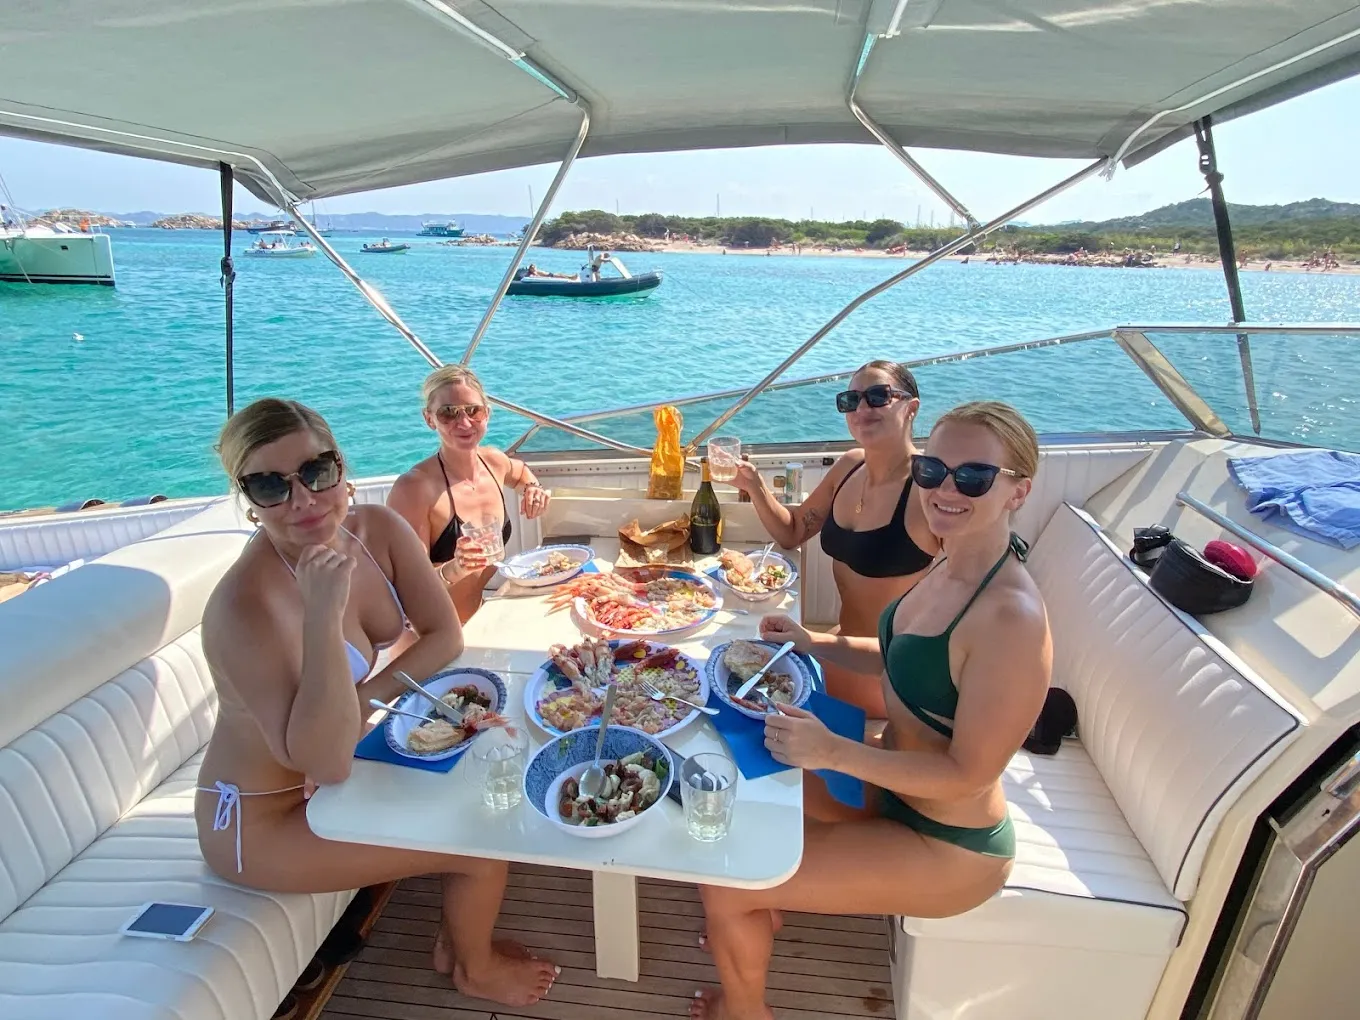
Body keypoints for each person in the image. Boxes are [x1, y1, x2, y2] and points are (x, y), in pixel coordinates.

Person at [693, 401, 1052, 1020]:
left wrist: (833, 752)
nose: (946, 488)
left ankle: (745, 1009)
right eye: (935, 468)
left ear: (1017, 490)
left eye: (973, 478)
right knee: (733, 782)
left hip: (948, 844)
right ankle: (766, 910)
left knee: (726, 881)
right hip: (885, 787)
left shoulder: (1010, 619)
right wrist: (813, 643)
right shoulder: (952, 560)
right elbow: (895, 655)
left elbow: (970, 773)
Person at [195, 398, 559, 1006]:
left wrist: (361, 700)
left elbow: (445, 636)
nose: (305, 500)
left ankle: (452, 939)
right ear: (248, 498)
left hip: (341, 763)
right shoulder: (243, 607)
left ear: (340, 466)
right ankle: (473, 966)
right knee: (482, 842)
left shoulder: (376, 530)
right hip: (261, 820)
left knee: (508, 760)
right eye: (269, 484)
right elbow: (326, 762)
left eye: (316, 471)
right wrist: (320, 613)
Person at [729, 361, 938, 717]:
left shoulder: (929, 490)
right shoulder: (850, 466)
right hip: (835, 647)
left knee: (758, 727)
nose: (861, 409)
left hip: (886, 674)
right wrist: (754, 485)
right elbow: (792, 532)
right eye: (850, 400)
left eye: (877, 396)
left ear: (911, 408)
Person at [388, 365, 550, 622]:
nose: (463, 423)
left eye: (473, 410)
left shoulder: (494, 461)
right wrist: (456, 568)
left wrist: (533, 489)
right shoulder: (415, 489)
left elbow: (520, 473)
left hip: (478, 620)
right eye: (448, 413)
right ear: (429, 419)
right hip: (431, 638)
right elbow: (409, 589)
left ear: (487, 414)